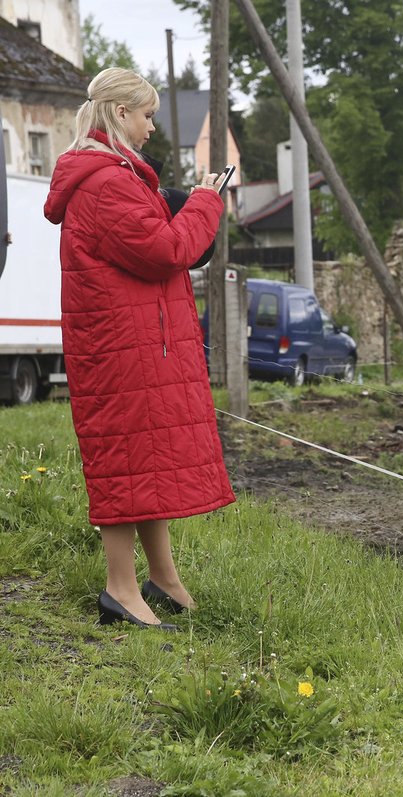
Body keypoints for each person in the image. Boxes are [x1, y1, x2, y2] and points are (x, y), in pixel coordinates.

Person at [43, 67, 234, 630]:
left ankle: (163, 579)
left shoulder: (119, 175)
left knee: (144, 465)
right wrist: (204, 202)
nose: (153, 128)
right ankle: (120, 591)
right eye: (148, 116)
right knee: (126, 465)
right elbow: (167, 251)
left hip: (130, 347)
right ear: (120, 115)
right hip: (120, 352)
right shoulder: (107, 183)